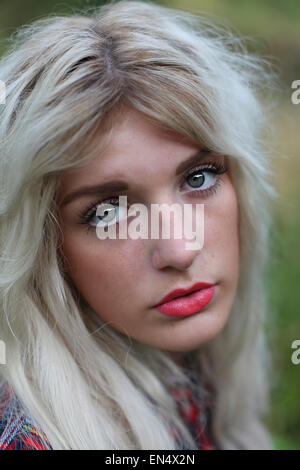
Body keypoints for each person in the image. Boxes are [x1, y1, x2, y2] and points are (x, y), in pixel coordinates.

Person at [0, 0, 277, 450]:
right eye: (108, 212)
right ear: (46, 247)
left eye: (199, 178)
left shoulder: (195, 376)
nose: (180, 249)